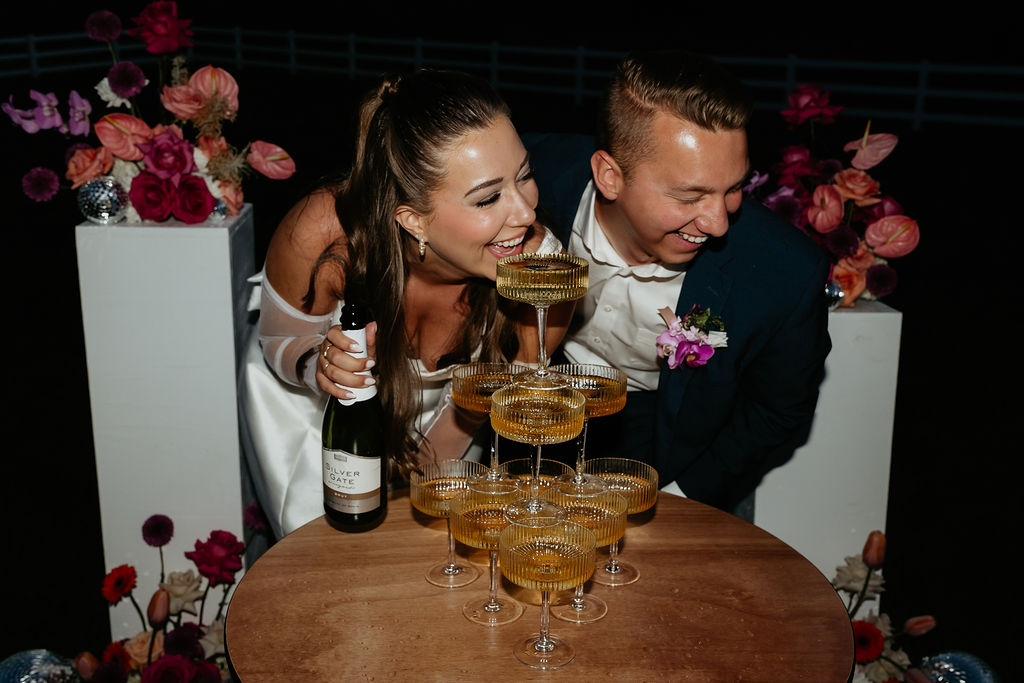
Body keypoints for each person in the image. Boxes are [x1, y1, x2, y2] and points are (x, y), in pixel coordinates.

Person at [240, 69, 569, 538]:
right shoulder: (324, 232)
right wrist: (322, 364)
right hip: (318, 413)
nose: (526, 212)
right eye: (489, 197)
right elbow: (278, 336)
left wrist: (416, 487)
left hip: (453, 421)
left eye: (525, 176)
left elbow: (486, 405)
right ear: (414, 220)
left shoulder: (542, 271)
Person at [524, 50, 831, 518]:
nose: (719, 223)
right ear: (609, 176)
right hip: (531, 410)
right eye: (690, 195)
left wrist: (683, 498)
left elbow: (777, 410)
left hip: (674, 443)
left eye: (733, 188)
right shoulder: (531, 181)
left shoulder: (785, 272)